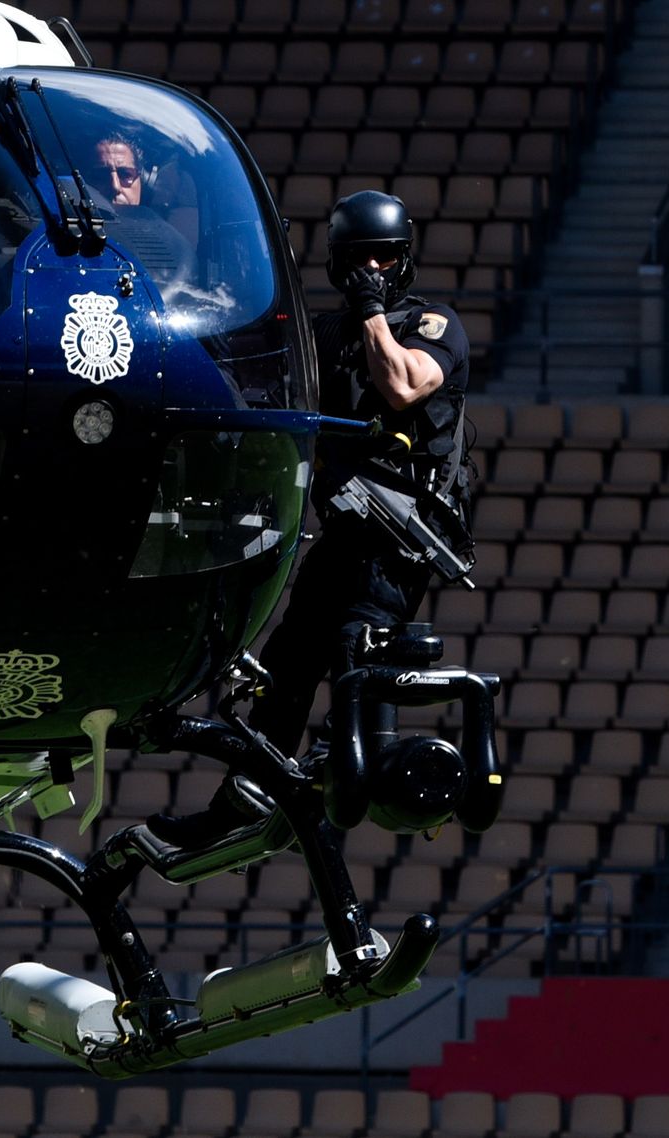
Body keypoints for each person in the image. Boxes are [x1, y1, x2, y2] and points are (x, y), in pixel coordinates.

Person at [154, 190, 473, 845]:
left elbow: (404, 386)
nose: (373, 271)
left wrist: (372, 312)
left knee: (357, 646)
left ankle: (343, 787)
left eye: (385, 260)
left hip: (398, 541)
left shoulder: (431, 325)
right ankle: (245, 804)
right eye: (360, 262)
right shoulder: (324, 336)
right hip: (344, 531)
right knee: (287, 663)